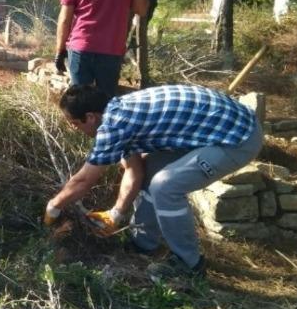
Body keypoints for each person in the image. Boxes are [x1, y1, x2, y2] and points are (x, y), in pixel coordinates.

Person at [44, 84, 263, 283]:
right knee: (151, 172)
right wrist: (115, 215)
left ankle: (189, 264)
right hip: (216, 129)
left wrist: (54, 207)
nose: (74, 129)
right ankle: (144, 244)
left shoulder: (114, 125)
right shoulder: (120, 112)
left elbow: (84, 180)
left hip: (237, 138)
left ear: (90, 117)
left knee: (165, 186)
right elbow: (135, 171)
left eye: (74, 123)